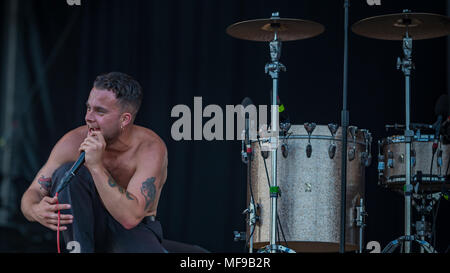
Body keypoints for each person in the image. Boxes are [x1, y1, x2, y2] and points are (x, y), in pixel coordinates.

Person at [20, 72, 168, 252]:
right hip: (86, 228)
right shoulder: (73, 141)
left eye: (100, 111)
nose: (89, 117)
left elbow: (130, 218)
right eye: (88, 108)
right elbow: (33, 192)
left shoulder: (149, 148)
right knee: (68, 172)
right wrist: (35, 210)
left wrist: (96, 166)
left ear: (125, 119)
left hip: (133, 231)